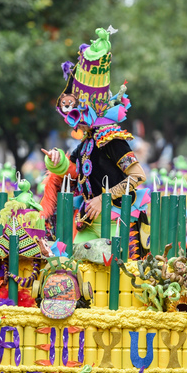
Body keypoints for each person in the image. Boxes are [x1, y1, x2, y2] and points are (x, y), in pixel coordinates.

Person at [40, 26, 147, 252]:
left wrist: (103, 200)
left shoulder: (112, 139)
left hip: (117, 225)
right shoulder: (87, 141)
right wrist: (57, 161)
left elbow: (137, 176)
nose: (74, 120)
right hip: (88, 223)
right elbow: (75, 171)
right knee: (68, 262)